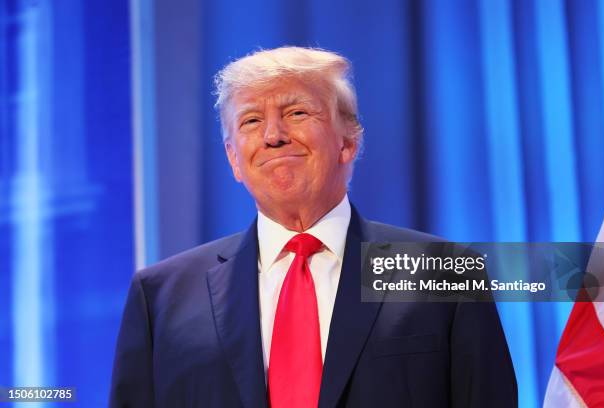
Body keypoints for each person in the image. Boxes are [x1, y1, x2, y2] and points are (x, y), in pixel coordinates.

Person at [110, 46, 517, 407]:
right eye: (251, 121)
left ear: (348, 142)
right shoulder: (161, 297)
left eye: (297, 113)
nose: (273, 135)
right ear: (234, 158)